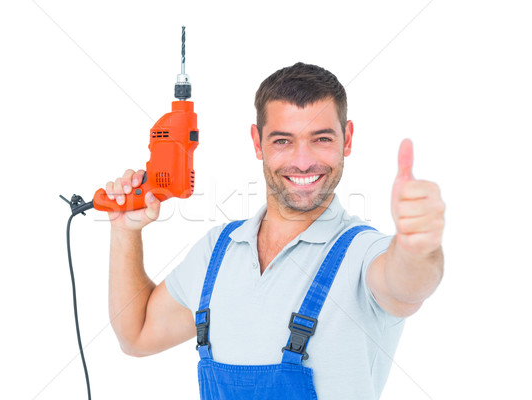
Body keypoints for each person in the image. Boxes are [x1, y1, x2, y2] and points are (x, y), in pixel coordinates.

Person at [103, 62, 445, 399]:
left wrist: (419, 248)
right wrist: (124, 232)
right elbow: (136, 334)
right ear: (257, 142)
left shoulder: (363, 254)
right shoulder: (218, 251)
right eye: (283, 141)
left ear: (347, 138)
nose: (302, 161)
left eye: (321, 138)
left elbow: (406, 286)